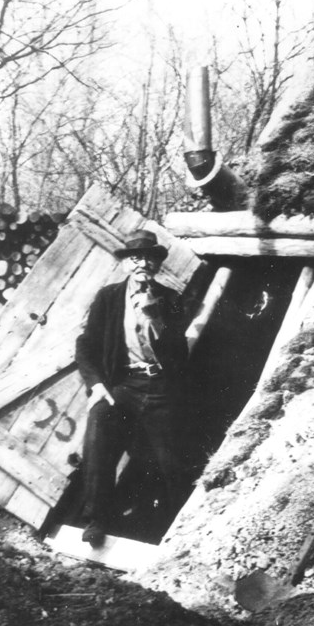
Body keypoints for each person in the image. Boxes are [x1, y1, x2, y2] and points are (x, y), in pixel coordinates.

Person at [75, 229, 190, 547]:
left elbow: (178, 354)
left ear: (157, 265)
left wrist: (156, 316)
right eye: (136, 258)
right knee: (98, 428)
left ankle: (177, 531)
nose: (143, 264)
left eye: (149, 258)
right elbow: (85, 346)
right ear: (126, 264)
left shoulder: (170, 299)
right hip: (123, 383)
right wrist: (96, 385)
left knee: (172, 460)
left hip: (160, 385)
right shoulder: (108, 298)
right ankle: (96, 519)